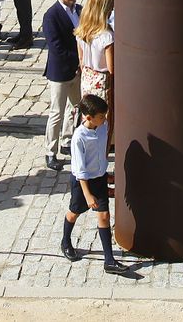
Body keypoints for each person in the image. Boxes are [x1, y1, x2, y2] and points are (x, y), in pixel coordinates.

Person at [60, 94, 134, 274]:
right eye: (101, 116)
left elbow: (102, 151)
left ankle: (109, 261)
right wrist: (87, 194)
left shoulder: (103, 126)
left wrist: (105, 174)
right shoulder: (79, 138)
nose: (105, 119)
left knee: (104, 216)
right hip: (82, 183)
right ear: (88, 118)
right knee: (74, 212)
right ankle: (65, 241)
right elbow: (79, 169)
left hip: (99, 178)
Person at [42, 0, 82, 170]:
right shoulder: (52, 15)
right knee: (56, 112)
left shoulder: (79, 10)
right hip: (61, 71)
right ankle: (51, 151)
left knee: (75, 107)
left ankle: (67, 141)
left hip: (77, 70)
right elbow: (56, 47)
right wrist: (77, 59)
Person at [75, 0, 114, 139]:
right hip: (102, 81)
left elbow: (81, 58)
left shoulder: (82, 31)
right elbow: (111, 68)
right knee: (102, 116)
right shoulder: (106, 36)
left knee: (87, 113)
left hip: (87, 77)